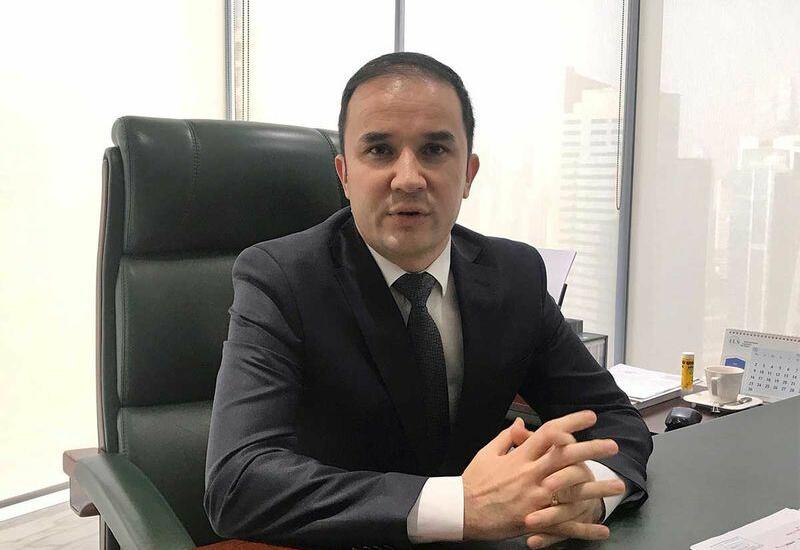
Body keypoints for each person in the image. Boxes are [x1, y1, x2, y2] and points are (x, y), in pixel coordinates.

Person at [204, 52, 652, 550]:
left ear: (469, 173)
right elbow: (238, 482)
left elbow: (613, 417)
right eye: (379, 150)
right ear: (344, 174)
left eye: (435, 149)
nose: (408, 178)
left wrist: (589, 492)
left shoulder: (515, 275)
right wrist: (459, 505)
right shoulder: (281, 279)